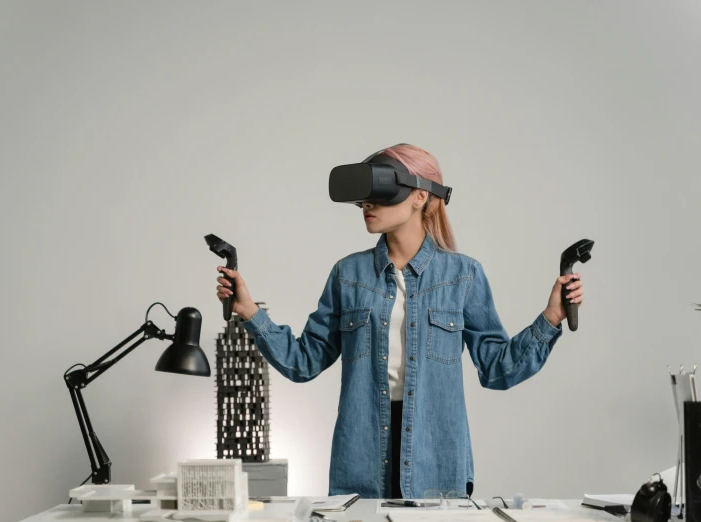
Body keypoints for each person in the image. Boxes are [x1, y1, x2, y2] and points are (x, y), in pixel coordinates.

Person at [213, 143, 585, 500]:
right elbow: (304, 361)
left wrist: (551, 316)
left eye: (379, 190)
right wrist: (249, 310)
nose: (366, 204)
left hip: (435, 467)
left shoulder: (463, 275)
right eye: (363, 196)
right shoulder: (348, 274)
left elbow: (497, 369)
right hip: (361, 463)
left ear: (420, 195)